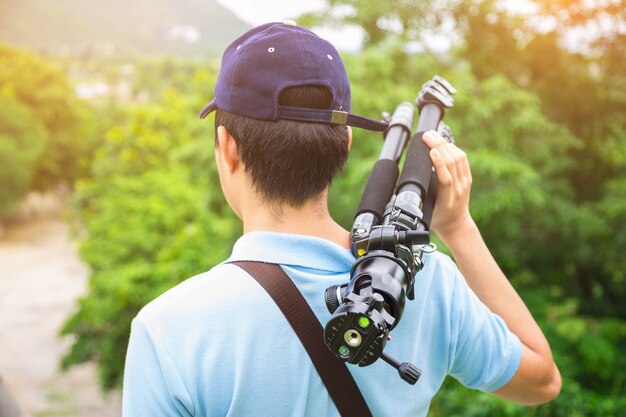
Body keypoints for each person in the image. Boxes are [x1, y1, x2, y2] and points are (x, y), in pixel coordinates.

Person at [122, 21, 561, 416]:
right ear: (346, 143)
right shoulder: (423, 281)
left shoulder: (169, 331)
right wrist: (457, 227)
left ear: (228, 147)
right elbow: (542, 381)